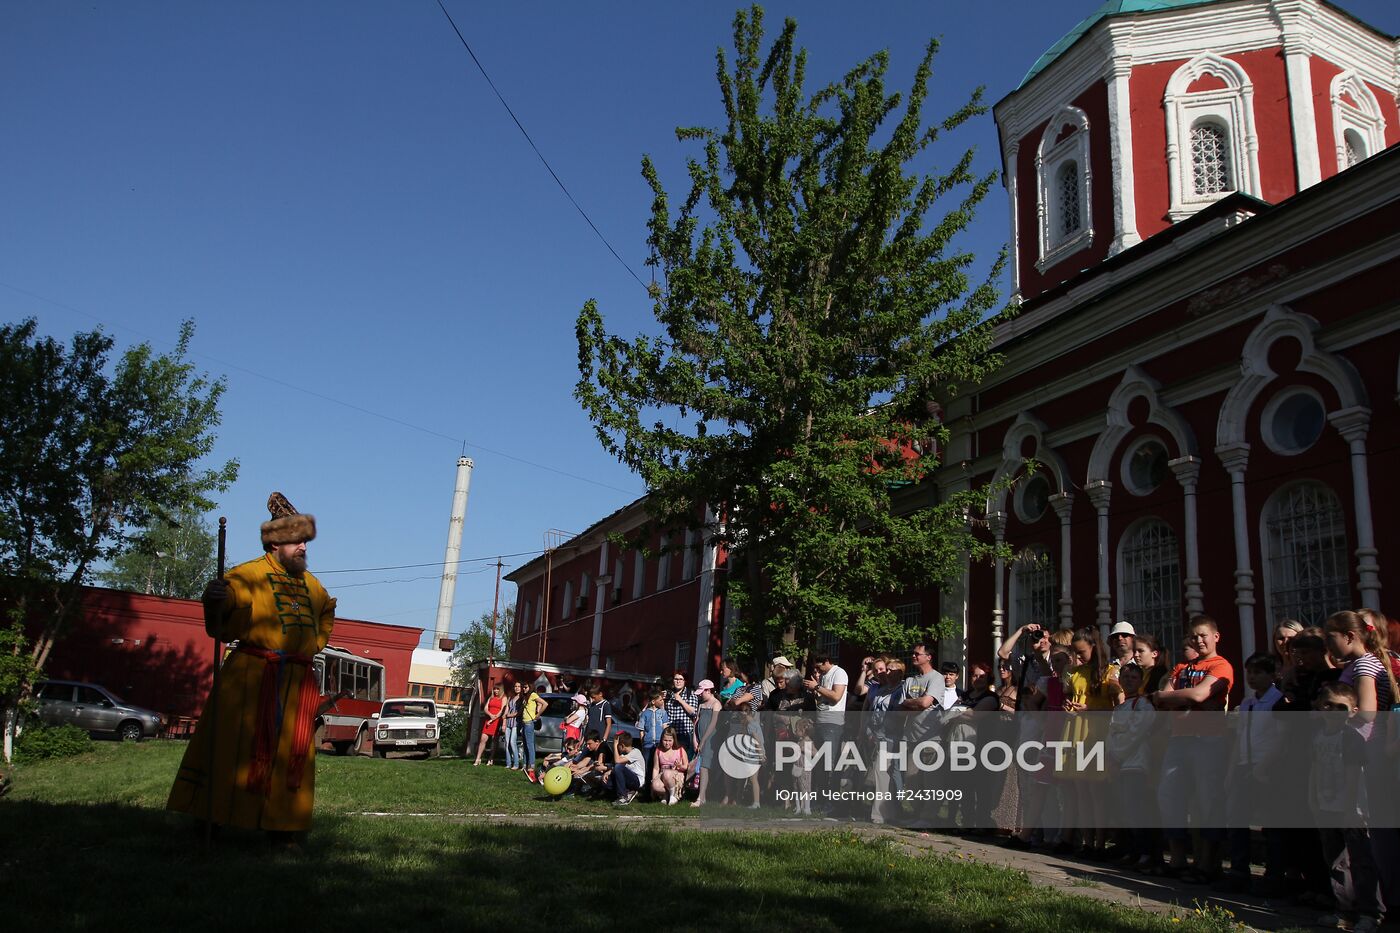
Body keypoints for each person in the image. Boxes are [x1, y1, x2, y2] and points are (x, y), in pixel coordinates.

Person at [167, 493, 336, 842]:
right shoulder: (246, 576)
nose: (304, 546)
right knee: (236, 748)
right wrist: (216, 601)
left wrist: (309, 650)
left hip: (296, 685)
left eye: (305, 540)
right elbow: (221, 624)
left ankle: (284, 829)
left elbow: (324, 619)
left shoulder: (313, 586)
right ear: (275, 542)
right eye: (296, 539)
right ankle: (213, 819)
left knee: (292, 756)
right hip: (251, 679)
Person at [1152, 614, 1234, 883]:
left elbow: (1199, 694)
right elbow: (1160, 696)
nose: (1198, 640)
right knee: (1169, 796)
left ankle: (1208, 863)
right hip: (1179, 738)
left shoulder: (1221, 665)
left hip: (1207, 739)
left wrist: (1175, 697)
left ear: (1216, 637)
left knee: (1207, 799)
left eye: (1203, 635)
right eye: (1194, 636)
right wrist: (1178, 698)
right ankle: (1177, 858)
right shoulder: (1181, 668)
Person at [1310, 682, 1383, 933]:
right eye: (1328, 705)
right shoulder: (1319, 736)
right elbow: (1315, 769)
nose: (1332, 711)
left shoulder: (1350, 737)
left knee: (1360, 861)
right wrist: (1313, 798)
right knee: (1335, 862)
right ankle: (1343, 910)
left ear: (1352, 711)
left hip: (1351, 810)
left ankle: (1370, 912)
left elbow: (1353, 775)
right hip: (1327, 806)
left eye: (1340, 707)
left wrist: (1350, 809)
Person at [689, 679, 722, 808]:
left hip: (710, 740)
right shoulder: (701, 705)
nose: (700, 695)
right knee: (699, 767)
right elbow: (696, 722)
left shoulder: (716, 704)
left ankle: (701, 797)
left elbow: (713, 724)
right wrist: (695, 738)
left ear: (708, 691)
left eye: (702, 692)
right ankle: (699, 795)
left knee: (704, 767)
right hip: (700, 738)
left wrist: (703, 741)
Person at [636, 689, 670, 787]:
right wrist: (643, 742)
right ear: (653, 701)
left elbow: (665, 727)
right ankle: (647, 787)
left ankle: (658, 786)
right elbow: (641, 730)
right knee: (648, 765)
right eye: (660, 700)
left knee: (658, 765)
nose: (662, 701)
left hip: (659, 743)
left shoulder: (663, 713)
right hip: (648, 744)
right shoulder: (645, 714)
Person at [650, 727, 689, 805]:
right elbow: (656, 768)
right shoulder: (658, 751)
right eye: (665, 740)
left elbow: (686, 767)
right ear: (661, 740)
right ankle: (666, 795)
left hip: (676, 777)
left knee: (667, 773)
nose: (667, 743)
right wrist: (653, 782)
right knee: (655, 785)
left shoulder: (680, 750)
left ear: (674, 740)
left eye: (669, 741)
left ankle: (673, 795)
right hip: (662, 776)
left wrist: (680, 766)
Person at [664, 671, 700, 757]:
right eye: (676, 679)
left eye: (681, 679)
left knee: (683, 760)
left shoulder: (690, 694)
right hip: (670, 734)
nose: (678, 681)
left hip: (684, 734)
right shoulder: (669, 694)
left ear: (685, 681)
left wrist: (680, 700)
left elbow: (693, 712)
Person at [608, 733, 647, 806]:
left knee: (618, 767)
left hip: (637, 780)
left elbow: (617, 761)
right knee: (607, 781)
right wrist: (607, 773)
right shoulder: (623, 755)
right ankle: (628, 792)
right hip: (629, 778)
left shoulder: (636, 752)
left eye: (618, 746)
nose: (617, 748)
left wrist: (614, 745)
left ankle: (623, 797)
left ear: (622, 746)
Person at [473, 684, 506, 766]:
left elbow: (502, 710)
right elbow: (485, 708)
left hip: (497, 721)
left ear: (500, 690)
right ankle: (478, 758)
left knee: (494, 741)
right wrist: (490, 715)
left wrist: (492, 719)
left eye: (498, 689)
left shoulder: (504, 698)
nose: (496, 691)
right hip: (488, 719)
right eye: (494, 689)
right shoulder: (491, 697)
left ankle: (491, 758)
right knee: (483, 739)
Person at [519, 681, 547, 783]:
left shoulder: (533, 695)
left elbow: (544, 703)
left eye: (525, 687)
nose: (524, 689)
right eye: (523, 687)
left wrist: (538, 714)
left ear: (530, 687)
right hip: (524, 723)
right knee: (526, 745)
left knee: (530, 746)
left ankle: (531, 768)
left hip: (529, 723)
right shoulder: (527, 697)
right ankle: (526, 766)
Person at [502, 682, 523, 770]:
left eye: (519, 686)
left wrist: (510, 715)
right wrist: (504, 722)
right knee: (507, 743)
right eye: (515, 686)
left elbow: (519, 712)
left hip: (516, 723)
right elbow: (506, 710)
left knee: (512, 742)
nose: (517, 688)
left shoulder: (522, 698)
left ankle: (516, 764)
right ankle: (508, 763)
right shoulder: (510, 697)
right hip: (508, 723)